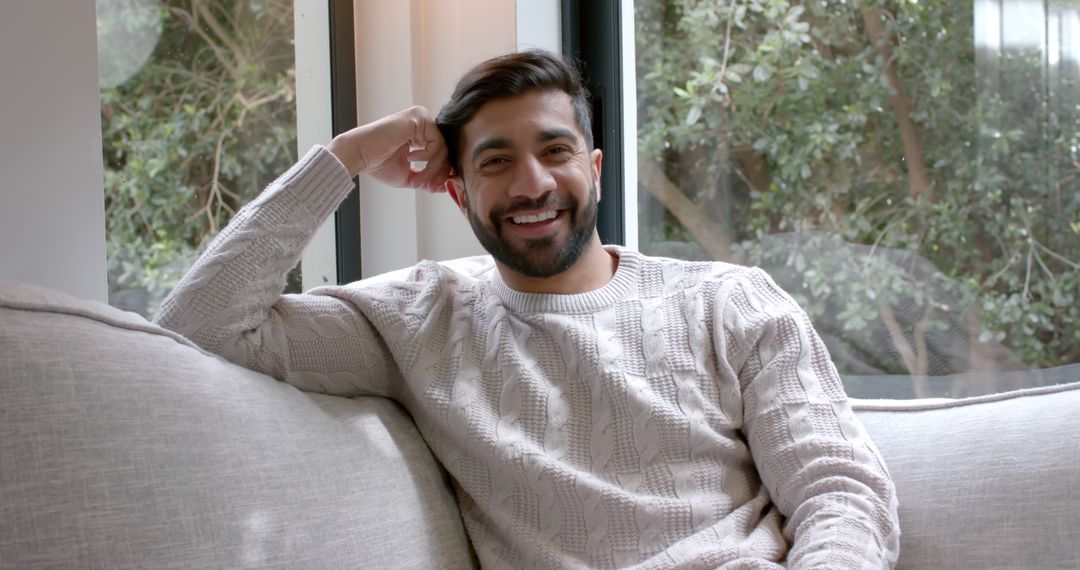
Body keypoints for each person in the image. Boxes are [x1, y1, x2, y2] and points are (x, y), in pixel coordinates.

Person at [155, 49, 900, 569]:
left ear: (595, 169)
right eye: (495, 161)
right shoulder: (418, 318)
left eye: (555, 150)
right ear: (456, 189)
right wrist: (344, 158)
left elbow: (840, 492)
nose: (532, 183)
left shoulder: (729, 302)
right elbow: (198, 325)